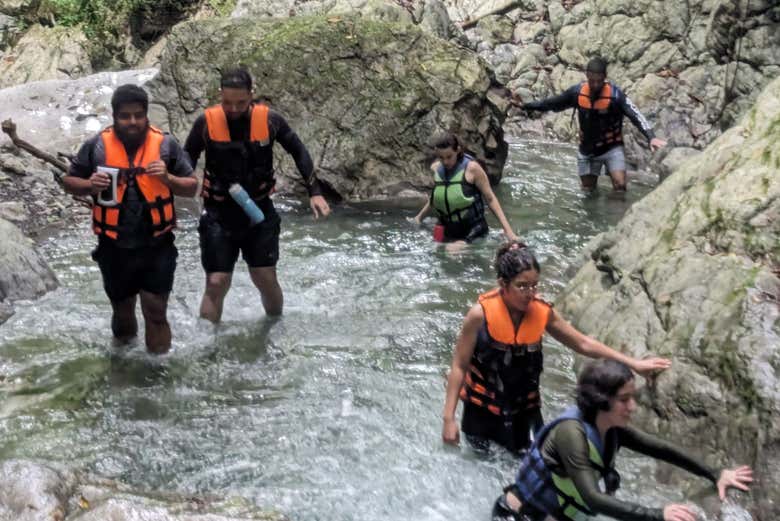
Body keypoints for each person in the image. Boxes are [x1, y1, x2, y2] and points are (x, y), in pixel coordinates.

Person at [442, 241, 671, 454]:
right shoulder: (479, 316)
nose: (530, 294)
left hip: (525, 412)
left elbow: (582, 343)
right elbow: (459, 366)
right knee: (481, 464)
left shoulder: (542, 312)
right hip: (481, 413)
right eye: (522, 286)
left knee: (535, 464)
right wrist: (449, 418)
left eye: (534, 286)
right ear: (503, 284)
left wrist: (634, 364)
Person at [492, 359, 753, 521]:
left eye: (633, 397)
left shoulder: (611, 430)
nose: (633, 407)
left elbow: (663, 449)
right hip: (517, 516)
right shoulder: (571, 434)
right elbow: (593, 498)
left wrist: (716, 473)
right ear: (601, 399)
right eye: (625, 399)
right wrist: (658, 514)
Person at [183, 67, 331, 322]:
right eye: (227, 102)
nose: (234, 108)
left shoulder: (270, 120)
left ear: (252, 95)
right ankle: (208, 343)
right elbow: (187, 155)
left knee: (264, 277)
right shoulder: (206, 122)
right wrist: (184, 179)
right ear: (220, 95)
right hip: (219, 213)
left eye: (241, 102)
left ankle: (274, 326)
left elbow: (298, 150)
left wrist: (314, 192)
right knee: (217, 282)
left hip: (259, 212)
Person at [63, 84, 198, 353]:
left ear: (147, 115)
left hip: (157, 244)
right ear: (114, 116)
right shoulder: (96, 146)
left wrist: (167, 178)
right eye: (125, 116)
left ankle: (158, 373)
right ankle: (124, 369)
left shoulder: (166, 145)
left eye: (138, 115)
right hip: (114, 245)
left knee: (156, 311)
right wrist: (90, 185)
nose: (133, 121)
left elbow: (192, 186)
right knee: (123, 315)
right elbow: (68, 181)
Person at [515, 57, 667, 192]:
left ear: (604, 78)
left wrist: (651, 137)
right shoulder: (577, 93)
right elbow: (551, 103)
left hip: (612, 148)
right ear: (587, 76)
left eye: (599, 81)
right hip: (588, 150)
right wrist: (526, 106)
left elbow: (636, 115)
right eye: (592, 80)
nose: (595, 85)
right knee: (588, 191)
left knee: (620, 186)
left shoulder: (615, 96)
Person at [413, 133, 518, 245]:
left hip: (473, 230)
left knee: (453, 251)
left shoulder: (472, 168)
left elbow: (491, 199)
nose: (445, 162)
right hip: (447, 228)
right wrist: (419, 217)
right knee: (434, 250)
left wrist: (508, 231)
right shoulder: (437, 168)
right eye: (441, 157)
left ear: (457, 150)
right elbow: (438, 197)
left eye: (449, 156)